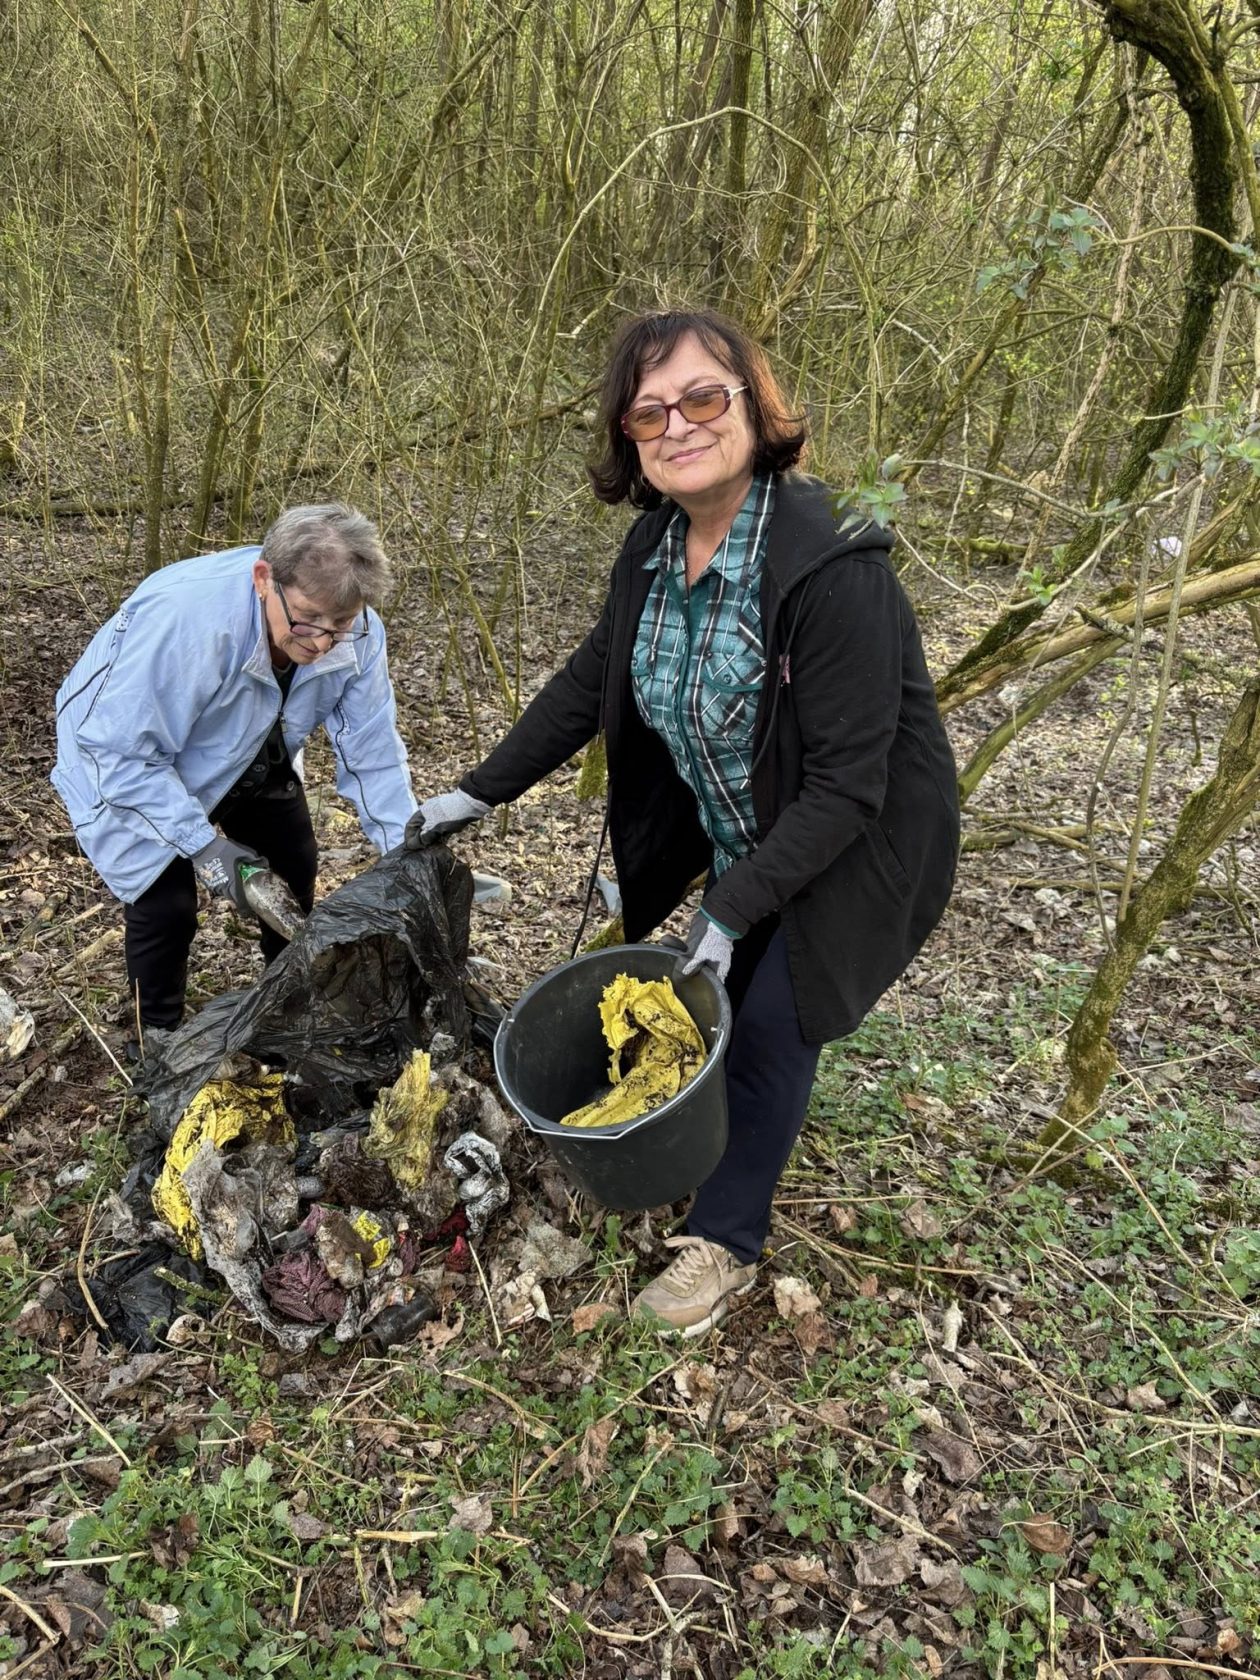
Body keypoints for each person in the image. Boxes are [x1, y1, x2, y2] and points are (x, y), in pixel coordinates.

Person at [408, 308, 961, 1335]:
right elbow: (591, 682)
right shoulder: (655, 548)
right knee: (726, 997)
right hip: (751, 831)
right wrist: (477, 792)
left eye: (703, 397)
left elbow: (849, 785)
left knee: (772, 1026)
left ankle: (725, 1243)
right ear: (628, 440)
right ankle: (708, 1144)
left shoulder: (833, 564)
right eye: (648, 413)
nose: (679, 425)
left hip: (861, 842)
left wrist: (732, 905)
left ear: (755, 404)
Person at [53, 503, 416, 1042]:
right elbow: (120, 751)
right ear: (264, 578)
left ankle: (287, 999)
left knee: (294, 860)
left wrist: (407, 851)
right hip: (122, 755)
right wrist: (203, 847)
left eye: (340, 625)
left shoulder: (359, 632)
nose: (322, 643)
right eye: (308, 618)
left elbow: (373, 751)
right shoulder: (186, 621)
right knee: (166, 902)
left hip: (252, 745)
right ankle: (157, 1037)